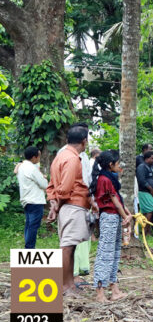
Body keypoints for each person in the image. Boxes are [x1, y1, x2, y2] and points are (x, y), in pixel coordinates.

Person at [47, 125, 95, 295]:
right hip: (72, 205)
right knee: (67, 247)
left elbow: (52, 185)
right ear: (84, 141)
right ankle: (65, 286)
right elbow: (65, 188)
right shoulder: (73, 159)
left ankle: (69, 284)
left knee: (71, 246)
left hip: (67, 205)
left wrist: (54, 204)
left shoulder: (59, 157)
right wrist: (58, 204)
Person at [90, 151, 132, 302]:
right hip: (108, 217)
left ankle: (114, 289)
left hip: (114, 217)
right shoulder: (104, 179)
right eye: (118, 163)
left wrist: (125, 213)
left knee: (114, 253)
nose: (119, 166)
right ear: (111, 165)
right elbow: (114, 201)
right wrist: (125, 216)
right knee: (105, 254)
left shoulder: (109, 178)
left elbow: (117, 198)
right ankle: (100, 292)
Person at [16, 146, 48, 249]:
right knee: (33, 226)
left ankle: (28, 248)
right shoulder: (32, 169)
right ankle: (29, 249)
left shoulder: (22, 167)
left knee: (29, 225)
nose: (39, 158)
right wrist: (43, 178)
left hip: (26, 200)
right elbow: (44, 184)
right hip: (35, 201)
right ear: (34, 157)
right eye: (38, 156)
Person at [136, 151, 153, 235]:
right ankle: (145, 230)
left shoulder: (150, 167)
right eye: (152, 158)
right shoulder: (141, 167)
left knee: (150, 210)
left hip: (150, 192)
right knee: (150, 209)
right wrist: (151, 189)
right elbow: (142, 180)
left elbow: (152, 179)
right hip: (144, 192)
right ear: (146, 159)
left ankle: (147, 230)